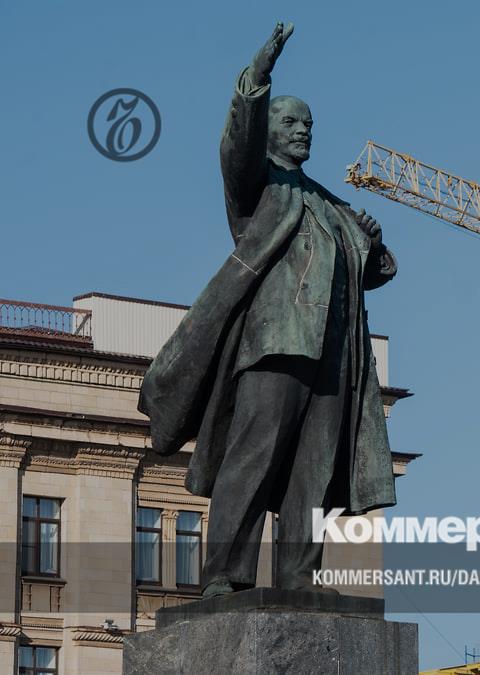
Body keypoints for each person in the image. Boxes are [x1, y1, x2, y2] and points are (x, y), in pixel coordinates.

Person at [138, 22, 398, 597]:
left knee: (315, 466)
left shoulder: (329, 203)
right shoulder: (259, 188)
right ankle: (225, 574)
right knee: (253, 457)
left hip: (334, 355)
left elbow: (375, 271)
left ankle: (300, 574)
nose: (303, 130)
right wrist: (257, 77)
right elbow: (236, 146)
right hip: (277, 343)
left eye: (309, 124)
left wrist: (374, 244)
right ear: (270, 131)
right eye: (291, 122)